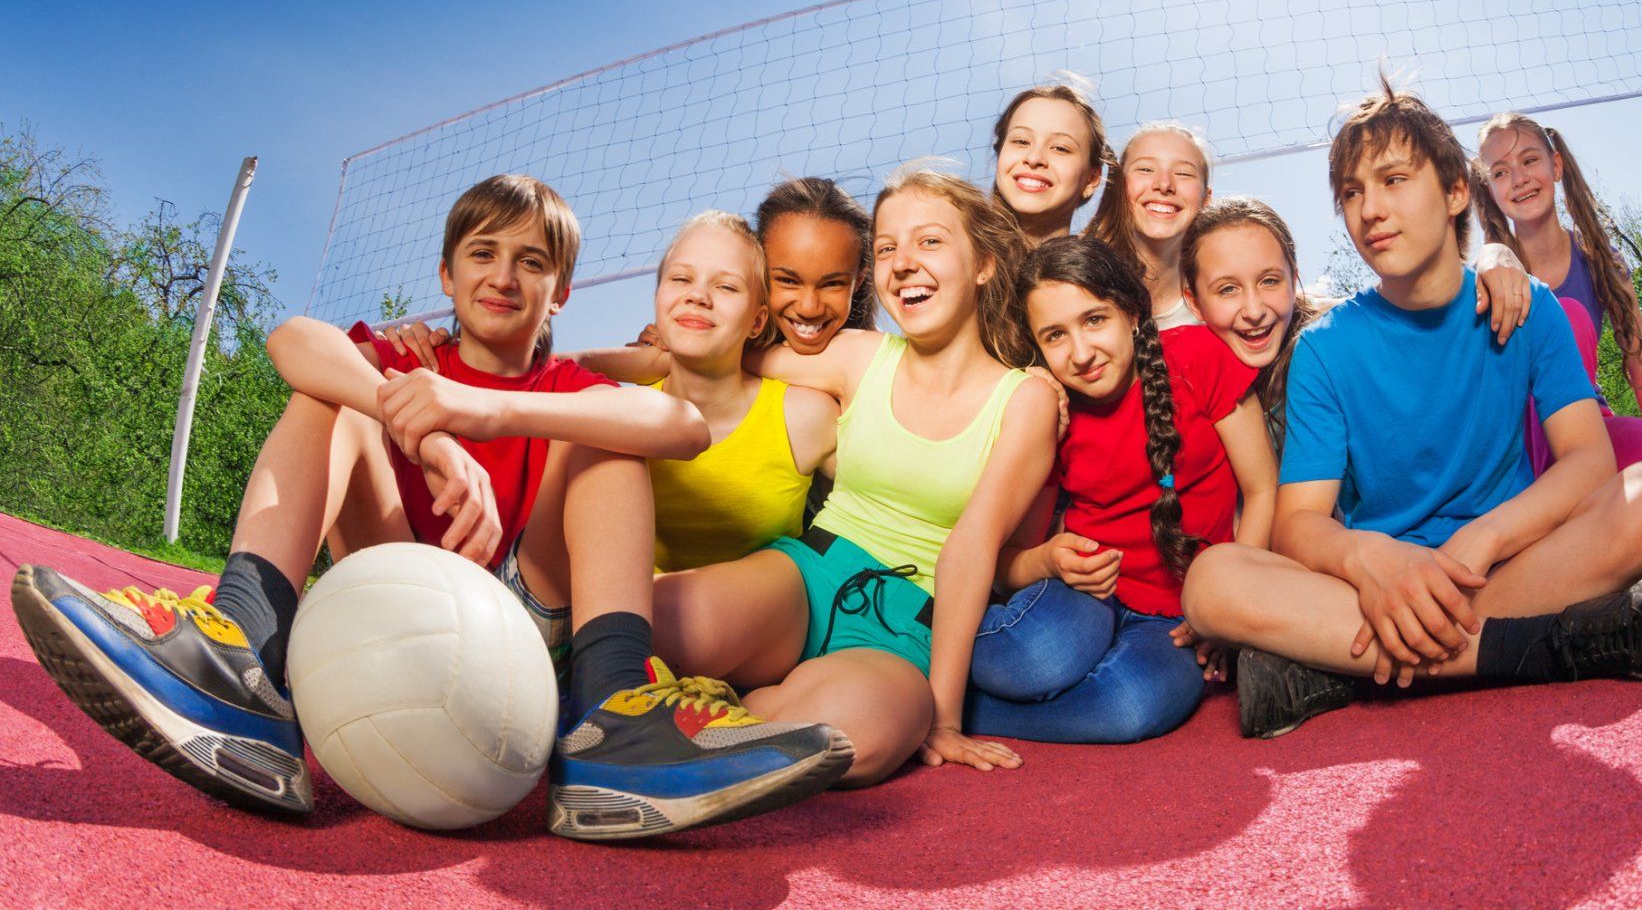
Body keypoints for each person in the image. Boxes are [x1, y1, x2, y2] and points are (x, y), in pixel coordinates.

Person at [11, 175, 851, 838]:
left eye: (532, 261)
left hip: (524, 615)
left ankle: (609, 728)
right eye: (483, 254)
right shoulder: (409, 358)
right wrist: (422, 424)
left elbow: (672, 423)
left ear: (561, 292)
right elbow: (292, 342)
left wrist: (483, 411)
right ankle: (246, 663)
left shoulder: (566, 385)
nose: (504, 274)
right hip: (390, 578)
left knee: (610, 437)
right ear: (446, 276)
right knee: (329, 395)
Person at [1179, 80, 1642, 739]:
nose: (1370, 208)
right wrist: (1372, 562)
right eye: (1352, 193)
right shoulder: (1324, 350)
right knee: (1212, 581)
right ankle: (1547, 645)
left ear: (1456, 191)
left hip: (1509, 564)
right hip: (1380, 587)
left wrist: (1483, 540)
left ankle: (1340, 668)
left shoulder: (1529, 306)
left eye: (1394, 179)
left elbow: (1590, 461)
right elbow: (1300, 526)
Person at [646, 169, 1059, 786]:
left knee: (851, 743)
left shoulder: (1025, 399)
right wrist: (602, 357)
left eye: (930, 242)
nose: (904, 262)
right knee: (636, 619)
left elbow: (972, 548)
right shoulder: (860, 355)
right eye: (888, 247)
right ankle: (697, 703)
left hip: (903, 628)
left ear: (984, 265)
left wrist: (943, 716)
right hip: (806, 574)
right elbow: (722, 358)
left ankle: (734, 709)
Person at [964, 236, 1277, 743]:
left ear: (1132, 312)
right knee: (1025, 662)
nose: (1082, 353)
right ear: (1039, 348)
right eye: (1055, 336)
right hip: (1086, 592)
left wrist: (1229, 611)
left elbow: (1262, 490)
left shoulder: (1198, 358)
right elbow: (1007, 561)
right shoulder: (1048, 412)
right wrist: (1049, 559)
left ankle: (975, 716)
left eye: (1094, 320)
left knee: (1131, 707)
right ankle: (921, 672)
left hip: (1180, 615)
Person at [1474, 112, 1642, 555]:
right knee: (1568, 320)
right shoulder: (1492, 270)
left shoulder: (1602, 263)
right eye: (1501, 172)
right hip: (1520, 443)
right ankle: (1545, 514)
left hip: (1586, 429)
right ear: (1489, 189)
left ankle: (1582, 512)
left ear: (1556, 166)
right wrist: (1490, 259)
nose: (1519, 179)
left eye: (1529, 161)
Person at [566, 212, 836, 572]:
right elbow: (542, 372)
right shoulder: (619, 413)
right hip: (634, 614)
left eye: (725, 286)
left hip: (765, 615)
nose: (697, 296)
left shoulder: (803, 415)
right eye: (680, 278)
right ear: (658, 297)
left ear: (757, 321)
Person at [1180, 197, 1536, 453]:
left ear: (1294, 279)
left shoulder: (1332, 338)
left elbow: (1417, 306)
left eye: (1270, 281)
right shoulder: (1185, 384)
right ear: (1194, 301)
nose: (1254, 310)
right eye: (1228, 289)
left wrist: (1494, 258)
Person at [1084, 122, 1213, 328]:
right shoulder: (1077, 280)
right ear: (1118, 188)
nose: (1164, 185)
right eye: (1145, 169)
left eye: (1183, 173)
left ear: (1206, 199)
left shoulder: (1220, 304)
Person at [989, 81, 1113, 246]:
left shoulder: (1105, 269)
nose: (1034, 158)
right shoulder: (954, 254)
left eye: (1060, 148)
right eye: (1021, 141)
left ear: (1091, 179)